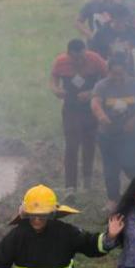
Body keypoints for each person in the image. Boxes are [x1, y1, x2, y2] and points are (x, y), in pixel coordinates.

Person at [50, 39, 107, 195]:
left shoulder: (95, 59)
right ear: (69, 55)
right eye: (76, 58)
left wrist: (92, 93)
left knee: (89, 142)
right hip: (70, 107)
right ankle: (70, 186)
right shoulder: (61, 62)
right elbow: (53, 77)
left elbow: (108, 79)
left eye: (82, 57)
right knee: (71, 144)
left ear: (85, 52)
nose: (79, 61)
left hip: (90, 107)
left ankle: (87, 180)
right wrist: (56, 89)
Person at [91, 55, 135, 208]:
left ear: (126, 71)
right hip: (108, 135)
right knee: (110, 168)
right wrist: (102, 116)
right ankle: (113, 199)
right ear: (108, 72)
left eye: (120, 74)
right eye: (114, 74)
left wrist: (133, 121)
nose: (117, 78)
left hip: (131, 135)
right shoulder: (102, 86)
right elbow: (95, 103)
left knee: (128, 163)